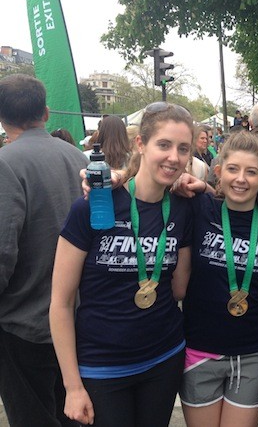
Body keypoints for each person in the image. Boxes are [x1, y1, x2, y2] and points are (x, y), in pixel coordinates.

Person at [50, 102, 194, 426]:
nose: (174, 157)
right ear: (140, 144)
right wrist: (72, 386)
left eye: (183, 148)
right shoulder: (94, 206)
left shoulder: (184, 210)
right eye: (164, 144)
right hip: (101, 367)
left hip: (164, 358)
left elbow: (179, 287)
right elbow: (60, 302)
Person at [0, 74, 88, 427]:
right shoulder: (76, 156)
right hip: (76, 317)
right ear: (46, 113)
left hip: (23, 323)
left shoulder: (7, 163)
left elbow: (3, 251)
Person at [175, 131, 258, 427]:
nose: (241, 179)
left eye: (251, 172)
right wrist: (113, 176)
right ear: (219, 172)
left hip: (253, 353)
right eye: (233, 169)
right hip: (200, 350)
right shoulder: (199, 208)